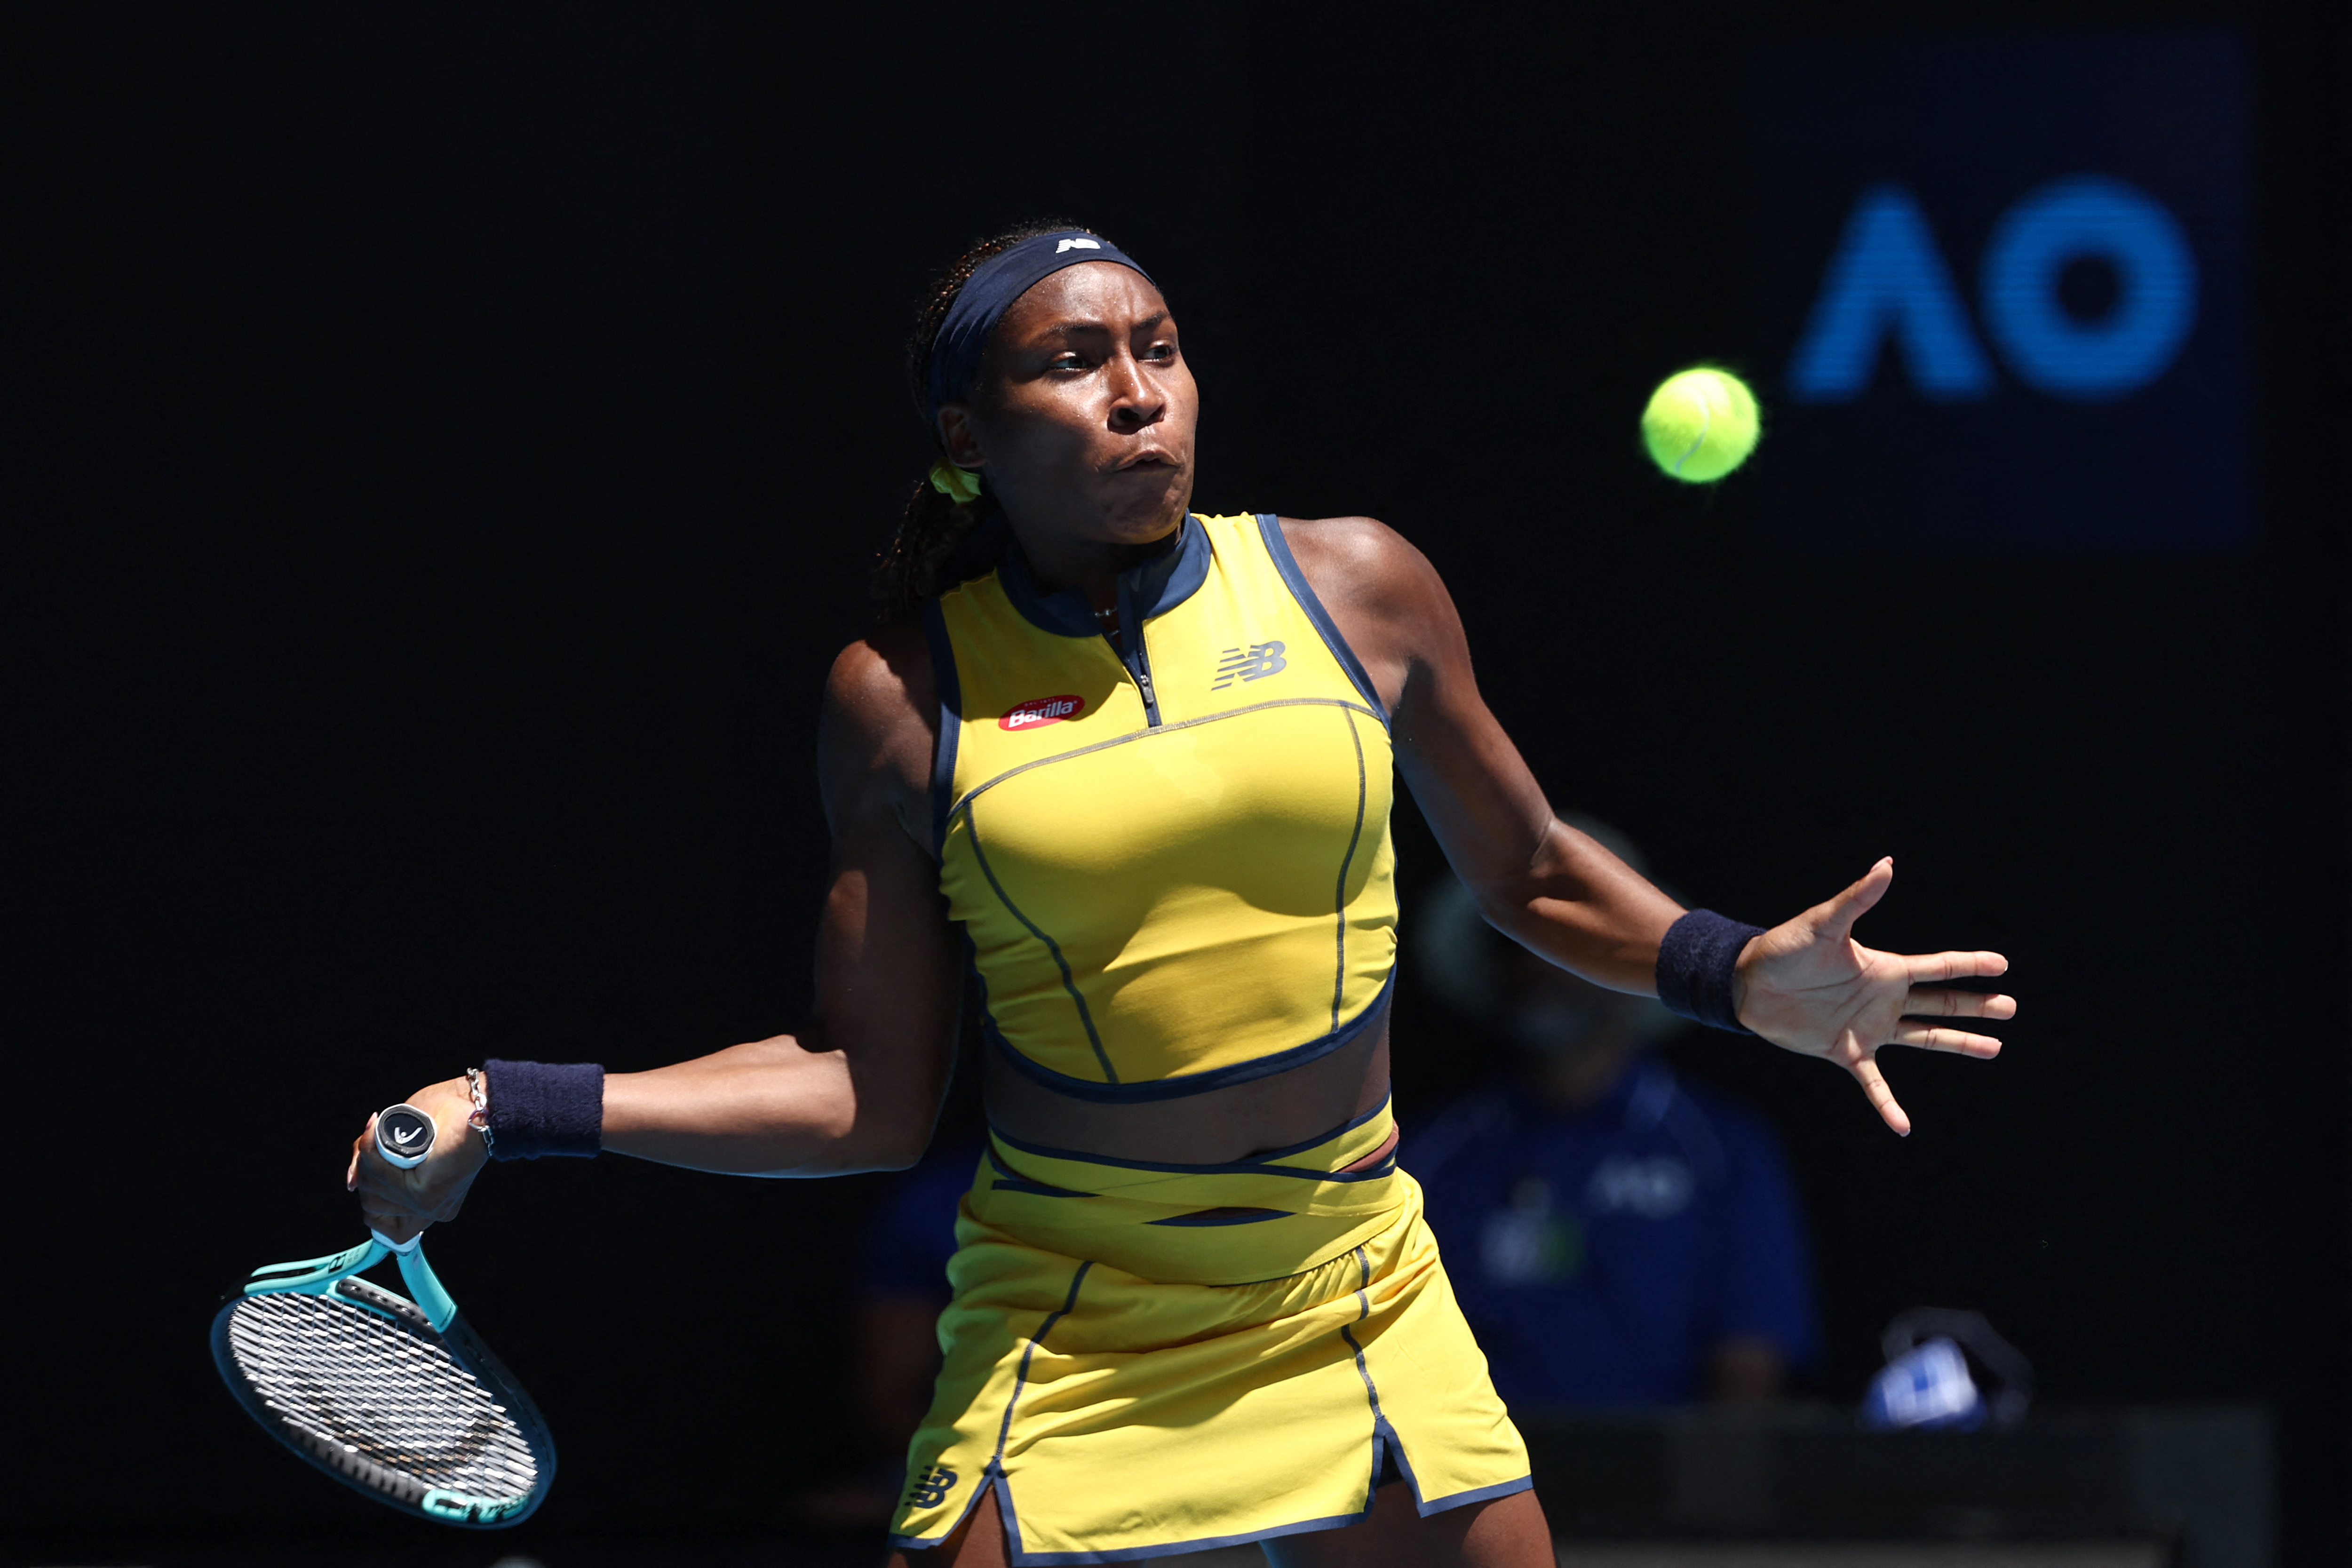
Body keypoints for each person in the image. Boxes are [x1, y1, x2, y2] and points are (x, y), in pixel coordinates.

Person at [349, 223, 2016, 1568]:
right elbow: (868, 1097)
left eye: (1158, 346)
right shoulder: (900, 698)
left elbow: (1524, 871)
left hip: (1351, 1280)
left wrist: (1733, 974)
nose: (1138, 390)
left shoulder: (1356, 585)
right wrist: (521, 1101)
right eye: (1074, 362)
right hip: (1075, 1317)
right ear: (964, 440)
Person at [1409, 858, 1821, 1409]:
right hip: (1471, 1485)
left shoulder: (1719, 1147)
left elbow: (1751, 1364)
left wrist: (1696, 1493)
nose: (1538, 965)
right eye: (1513, 941)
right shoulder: (1429, 1152)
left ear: (1628, 967)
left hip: (1663, 1485)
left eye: (1564, 943)